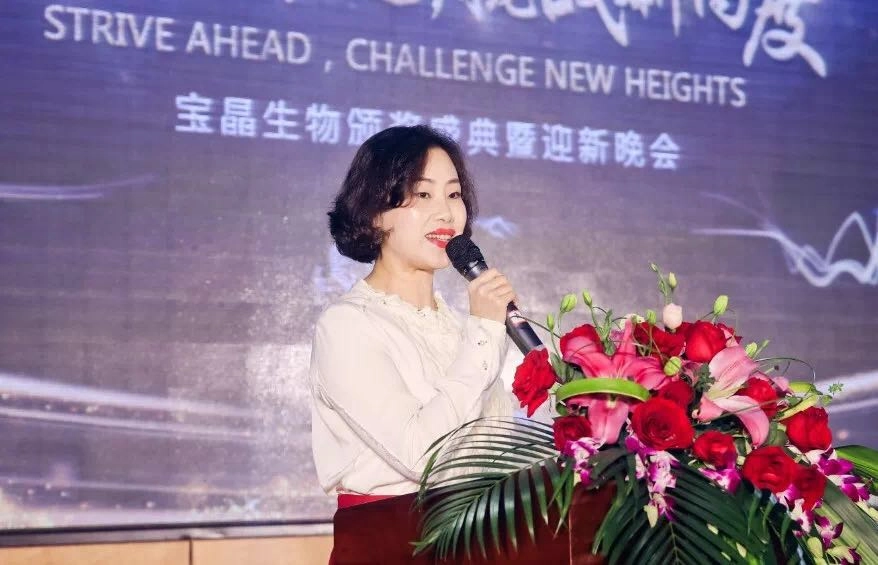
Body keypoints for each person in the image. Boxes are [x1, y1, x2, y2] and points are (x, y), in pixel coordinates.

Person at [309, 125, 516, 506]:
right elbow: (423, 457)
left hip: (483, 531)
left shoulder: (462, 329)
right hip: (396, 534)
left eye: (454, 194)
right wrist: (485, 331)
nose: (445, 212)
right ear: (374, 212)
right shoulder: (347, 326)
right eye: (422, 194)